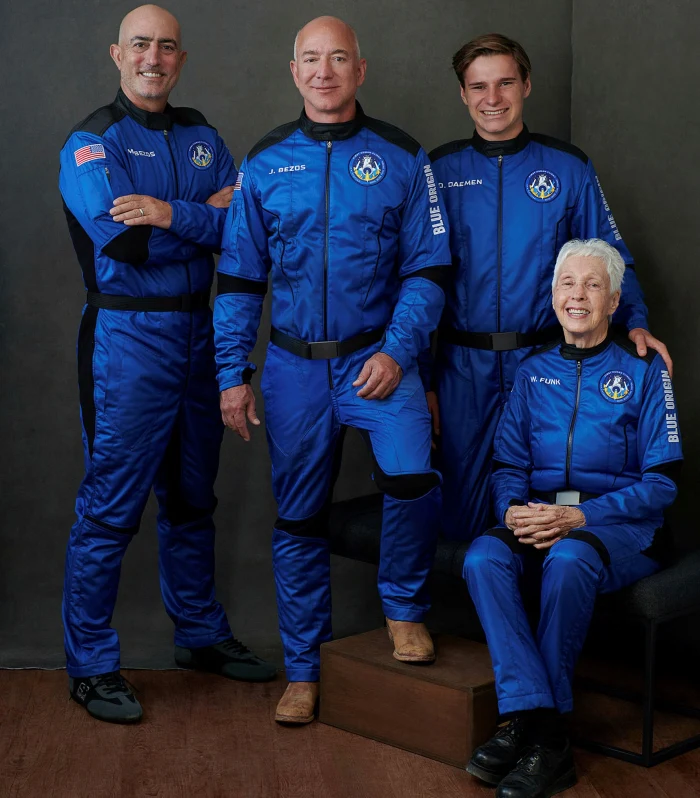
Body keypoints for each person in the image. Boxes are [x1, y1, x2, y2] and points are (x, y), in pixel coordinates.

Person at [214, 16, 451, 724]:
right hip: (292, 369)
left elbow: (429, 271)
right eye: (311, 60)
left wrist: (397, 351)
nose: (324, 71)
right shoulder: (263, 163)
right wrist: (233, 373)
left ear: (360, 69)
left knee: (412, 477)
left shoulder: (403, 158)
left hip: (378, 359)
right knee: (299, 518)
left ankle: (404, 608)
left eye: (338, 58)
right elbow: (237, 281)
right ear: (294, 72)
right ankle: (305, 669)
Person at [59, 4, 275, 724]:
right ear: (116, 53)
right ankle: (90, 665)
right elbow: (128, 247)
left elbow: (244, 232)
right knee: (110, 508)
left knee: (191, 500)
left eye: (168, 47)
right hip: (128, 343)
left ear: (181, 58)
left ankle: (201, 635)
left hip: (200, 337)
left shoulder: (205, 136)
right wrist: (199, 218)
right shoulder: (92, 142)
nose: (154, 58)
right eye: (141, 45)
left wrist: (169, 211)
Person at [428, 33, 672, 542]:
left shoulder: (566, 167)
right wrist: (423, 376)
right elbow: (419, 276)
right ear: (463, 94)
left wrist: (638, 322)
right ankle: (479, 617)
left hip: (543, 359)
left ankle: (550, 614)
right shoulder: (440, 170)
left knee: (544, 493)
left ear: (527, 85)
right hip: (460, 368)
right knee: (464, 502)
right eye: (478, 86)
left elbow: (610, 259)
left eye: (505, 83)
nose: (492, 98)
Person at [463, 239, 682, 797]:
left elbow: (661, 485)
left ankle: (534, 734)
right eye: (567, 283)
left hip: (621, 527)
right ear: (553, 295)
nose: (577, 295)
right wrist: (513, 512)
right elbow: (509, 463)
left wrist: (579, 518)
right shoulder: (532, 373)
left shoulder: (643, 371)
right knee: (484, 556)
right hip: (544, 515)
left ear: (613, 302)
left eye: (592, 285)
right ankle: (541, 726)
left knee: (566, 559)